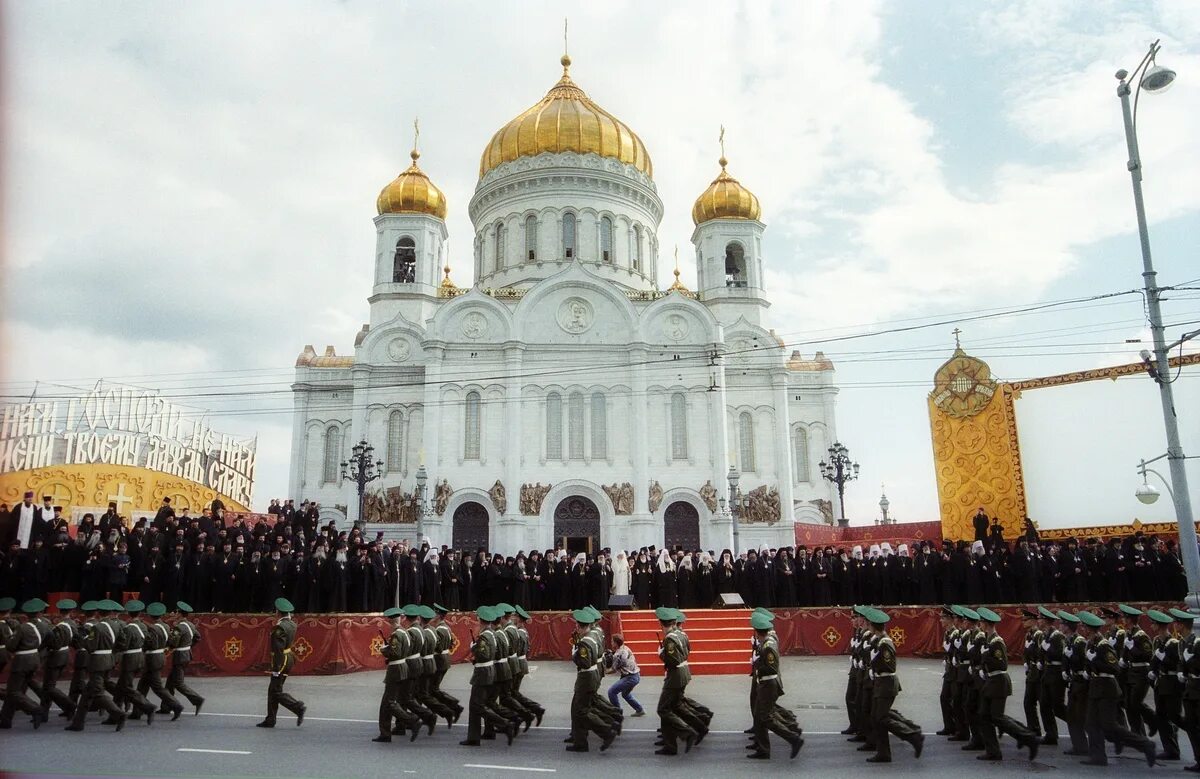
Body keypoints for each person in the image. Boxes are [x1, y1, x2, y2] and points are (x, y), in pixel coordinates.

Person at [1076, 609, 1155, 767]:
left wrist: (1096, 662)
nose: (1082, 629)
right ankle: (1098, 756)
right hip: (1096, 687)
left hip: (1107, 688)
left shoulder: (1103, 645)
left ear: (1089, 628)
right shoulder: (1091, 643)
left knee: (1109, 725)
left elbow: (1114, 668)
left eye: (1084, 627)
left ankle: (1145, 744)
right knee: (1091, 723)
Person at [975, 607, 1039, 761]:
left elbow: (1002, 664)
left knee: (997, 717)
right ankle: (993, 751)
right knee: (984, 715)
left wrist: (986, 657)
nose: (980, 625)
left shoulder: (997, 642)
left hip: (998, 682)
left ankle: (1028, 738)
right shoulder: (987, 640)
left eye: (982, 622)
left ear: (987, 624)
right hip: (990, 681)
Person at [863, 606, 923, 763]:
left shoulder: (885, 643)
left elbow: (889, 666)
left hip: (887, 683)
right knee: (877, 718)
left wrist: (875, 665)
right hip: (880, 683)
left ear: (872, 625)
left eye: (868, 624)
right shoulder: (877, 641)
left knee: (881, 717)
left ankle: (913, 736)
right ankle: (884, 753)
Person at [746, 610, 803, 759]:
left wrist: (757, 663)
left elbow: (770, 667)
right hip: (765, 682)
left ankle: (792, 737)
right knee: (759, 715)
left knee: (766, 716)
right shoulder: (765, 643)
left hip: (769, 683)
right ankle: (762, 747)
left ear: (759, 632)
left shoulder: (768, 646)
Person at [66, 599, 128, 732]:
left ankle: (118, 714)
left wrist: (83, 639)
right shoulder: (116, 625)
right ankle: (78, 723)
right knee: (87, 693)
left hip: (98, 661)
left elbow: (90, 646)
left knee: (97, 692)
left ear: (99, 613)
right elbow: (122, 643)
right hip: (109, 659)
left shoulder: (97, 627)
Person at [460, 605, 515, 747]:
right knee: (478, 705)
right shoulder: (491, 633)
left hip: (482, 672)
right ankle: (474, 737)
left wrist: (474, 648)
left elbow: (483, 654)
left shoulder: (485, 636)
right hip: (488, 671)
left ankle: (504, 724)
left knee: (477, 705)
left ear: (480, 620)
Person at [566, 608, 615, 752]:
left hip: (586, 678)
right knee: (577, 708)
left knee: (581, 710)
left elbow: (584, 662)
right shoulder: (590, 637)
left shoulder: (585, 643)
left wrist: (575, 653)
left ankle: (606, 731)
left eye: (576, 625)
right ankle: (579, 740)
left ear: (579, 626)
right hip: (589, 675)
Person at [256, 597, 306, 728]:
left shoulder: (279, 628)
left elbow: (278, 649)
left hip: (281, 660)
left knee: (275, 691)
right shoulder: (292, 624)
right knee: (274, 689)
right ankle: (270, 719)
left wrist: (276, 668)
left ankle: (297, 706)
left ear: (278, 612)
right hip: (289, 657)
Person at [0, 598, 49, 729]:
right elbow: (49, 640)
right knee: (18, 690)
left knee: (13, 691)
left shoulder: (22, 628)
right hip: (35, 659)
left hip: (22, 661)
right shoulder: (44, 625)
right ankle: (5, 720)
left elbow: (11, 646)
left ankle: (35, 709)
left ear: (26, 614)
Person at [375, 606, 422, 743]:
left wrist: (385, 650)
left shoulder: (397, 634)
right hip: (403, 667)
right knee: (391, 701)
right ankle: (387, 732)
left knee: (388, 703)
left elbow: (395, 653)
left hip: (396, 669)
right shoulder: (405, 632)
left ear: (391, 621)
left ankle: (411, 721)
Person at [655, 606, 698, 755]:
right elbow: (687, 651)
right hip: (684, 671)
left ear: (662, 624)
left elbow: (672, 660)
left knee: (663, 709)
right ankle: (670, 744)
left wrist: (661, 654)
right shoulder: (681, 634)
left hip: (675, 675)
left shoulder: (670, 639)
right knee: (673, 707)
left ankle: (687, 732)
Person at [1146, 608, 1182, 761]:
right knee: (1161, 716)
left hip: (1172, 683)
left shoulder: (1173, 643)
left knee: (1173, 715)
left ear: (1160, 625)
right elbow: (1155, 659)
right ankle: (1169, 749)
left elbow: (1177, 664)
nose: (1152, 625)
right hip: (1160, 682)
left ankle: (1173, 748)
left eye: (1154, 623)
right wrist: (1152, 671)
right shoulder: (1156, 640)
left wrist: (1164, 659)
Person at [136, 602, 183, 720]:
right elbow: (172, 641)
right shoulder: (166, 626)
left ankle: (176, 705)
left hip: (152, 658)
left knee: (156, 687)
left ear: (150, 616)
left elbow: (149, 643)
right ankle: (137, 711)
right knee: (143, 685)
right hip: (160, 656)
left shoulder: (152, 629)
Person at [39, 598, 78, 721]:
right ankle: (43, 712)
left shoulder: (60, 626)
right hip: (65, 655)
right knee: (48, 686)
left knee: (49, 686)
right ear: (71, 611)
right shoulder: (72, 623)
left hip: (56, 656)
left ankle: (69, 705)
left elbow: (55, 644)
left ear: (60, 611)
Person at [163, 601, 204, 715]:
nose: (175, 613)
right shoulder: (190, 625)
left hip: (180, 656)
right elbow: (197, 637)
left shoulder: (179, 627)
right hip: (186, 654)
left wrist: (167, 645)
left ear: (180, 614)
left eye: (176, 612)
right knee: (170, 682)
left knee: (178, 683)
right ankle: (166, 706)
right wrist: (188, 645)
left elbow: (173, 642)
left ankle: (197, 699)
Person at [606, 633, 644, 716]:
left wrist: (603, 671)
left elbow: (613, 670)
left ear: (616, 643)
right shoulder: (626, 648)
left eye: (612, 642)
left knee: (611, 692)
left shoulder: (618, 655)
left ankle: (617, 713)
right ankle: (639, 709)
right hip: (636, 675)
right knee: (625, 694)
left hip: (630, 678)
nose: (611, 643)